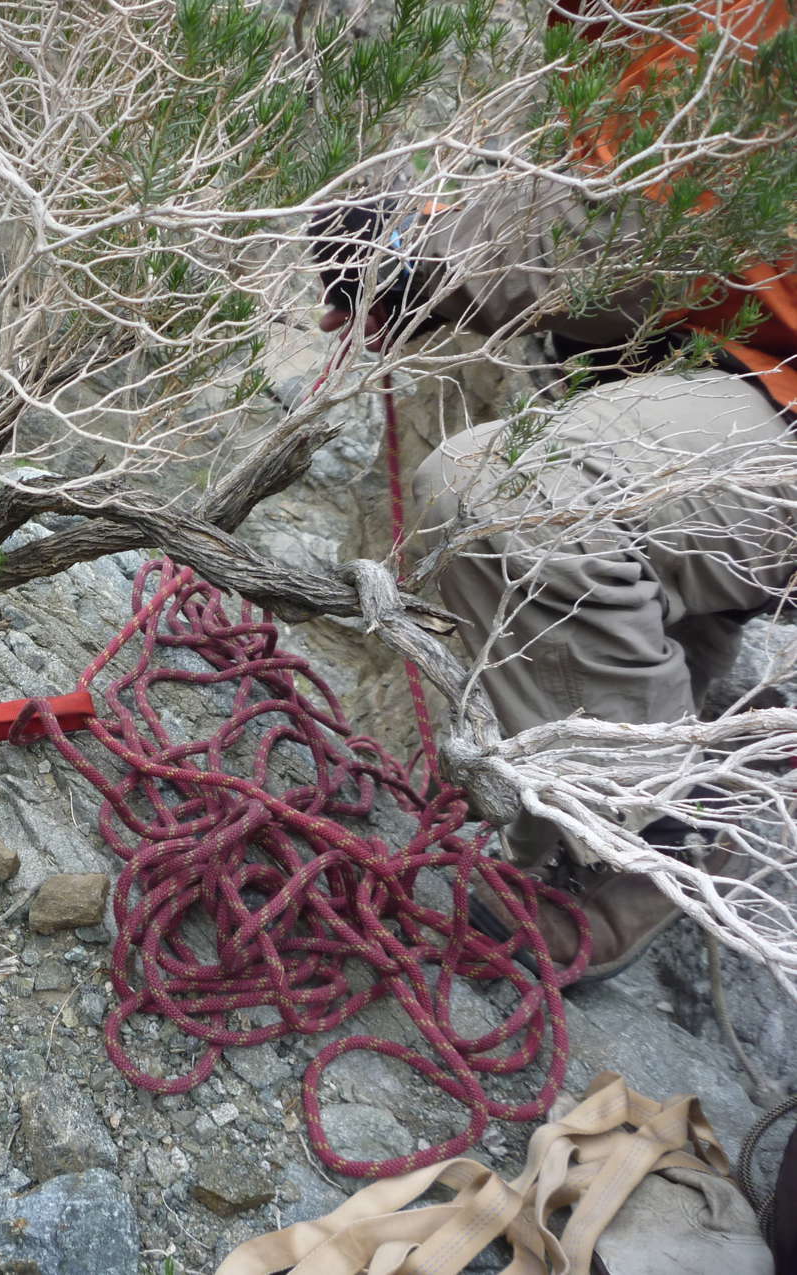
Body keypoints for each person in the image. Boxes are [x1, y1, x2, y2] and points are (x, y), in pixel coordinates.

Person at [311, 0, 797, 983]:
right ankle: (673, 719)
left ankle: (644, 841)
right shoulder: (606, 18)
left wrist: (420, 255)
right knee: (600, 396)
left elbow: (644, 222)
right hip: (755, 365)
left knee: (507, 498)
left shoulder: (739, 22)